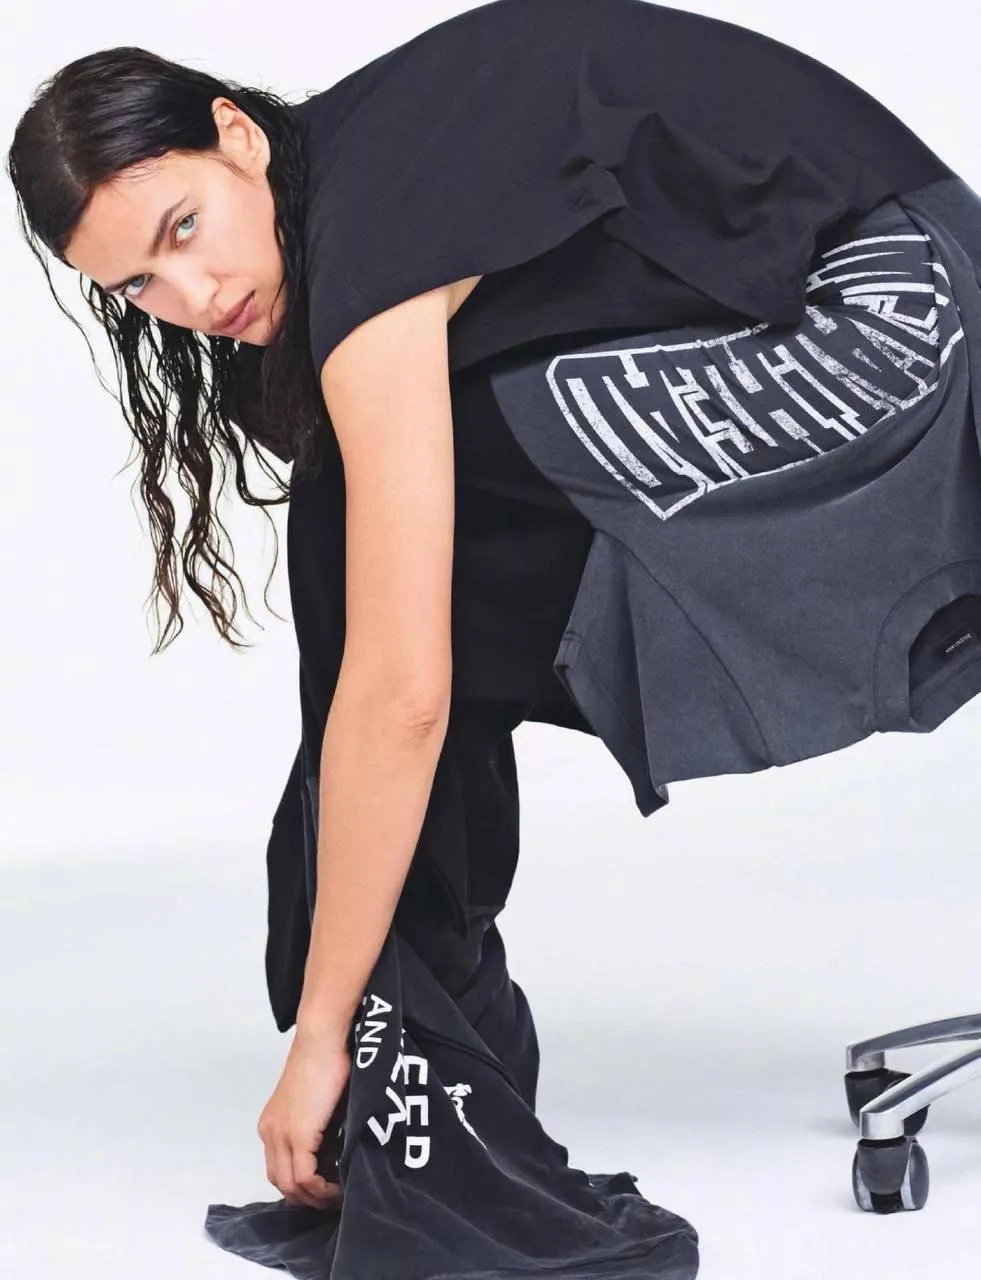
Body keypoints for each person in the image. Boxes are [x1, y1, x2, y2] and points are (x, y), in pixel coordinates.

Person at [6, 1, 973, 1274]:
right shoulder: (357, 179)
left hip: (900, 335)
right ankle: (415, 1085)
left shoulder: (376, 219)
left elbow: (402, 692)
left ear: (235, 137)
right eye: (138, 285)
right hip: (880, 313)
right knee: (386, 559)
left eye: (182, 229)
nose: (191, 297)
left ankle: (407, 1093)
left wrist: (316, 1034)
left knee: (388, 583)